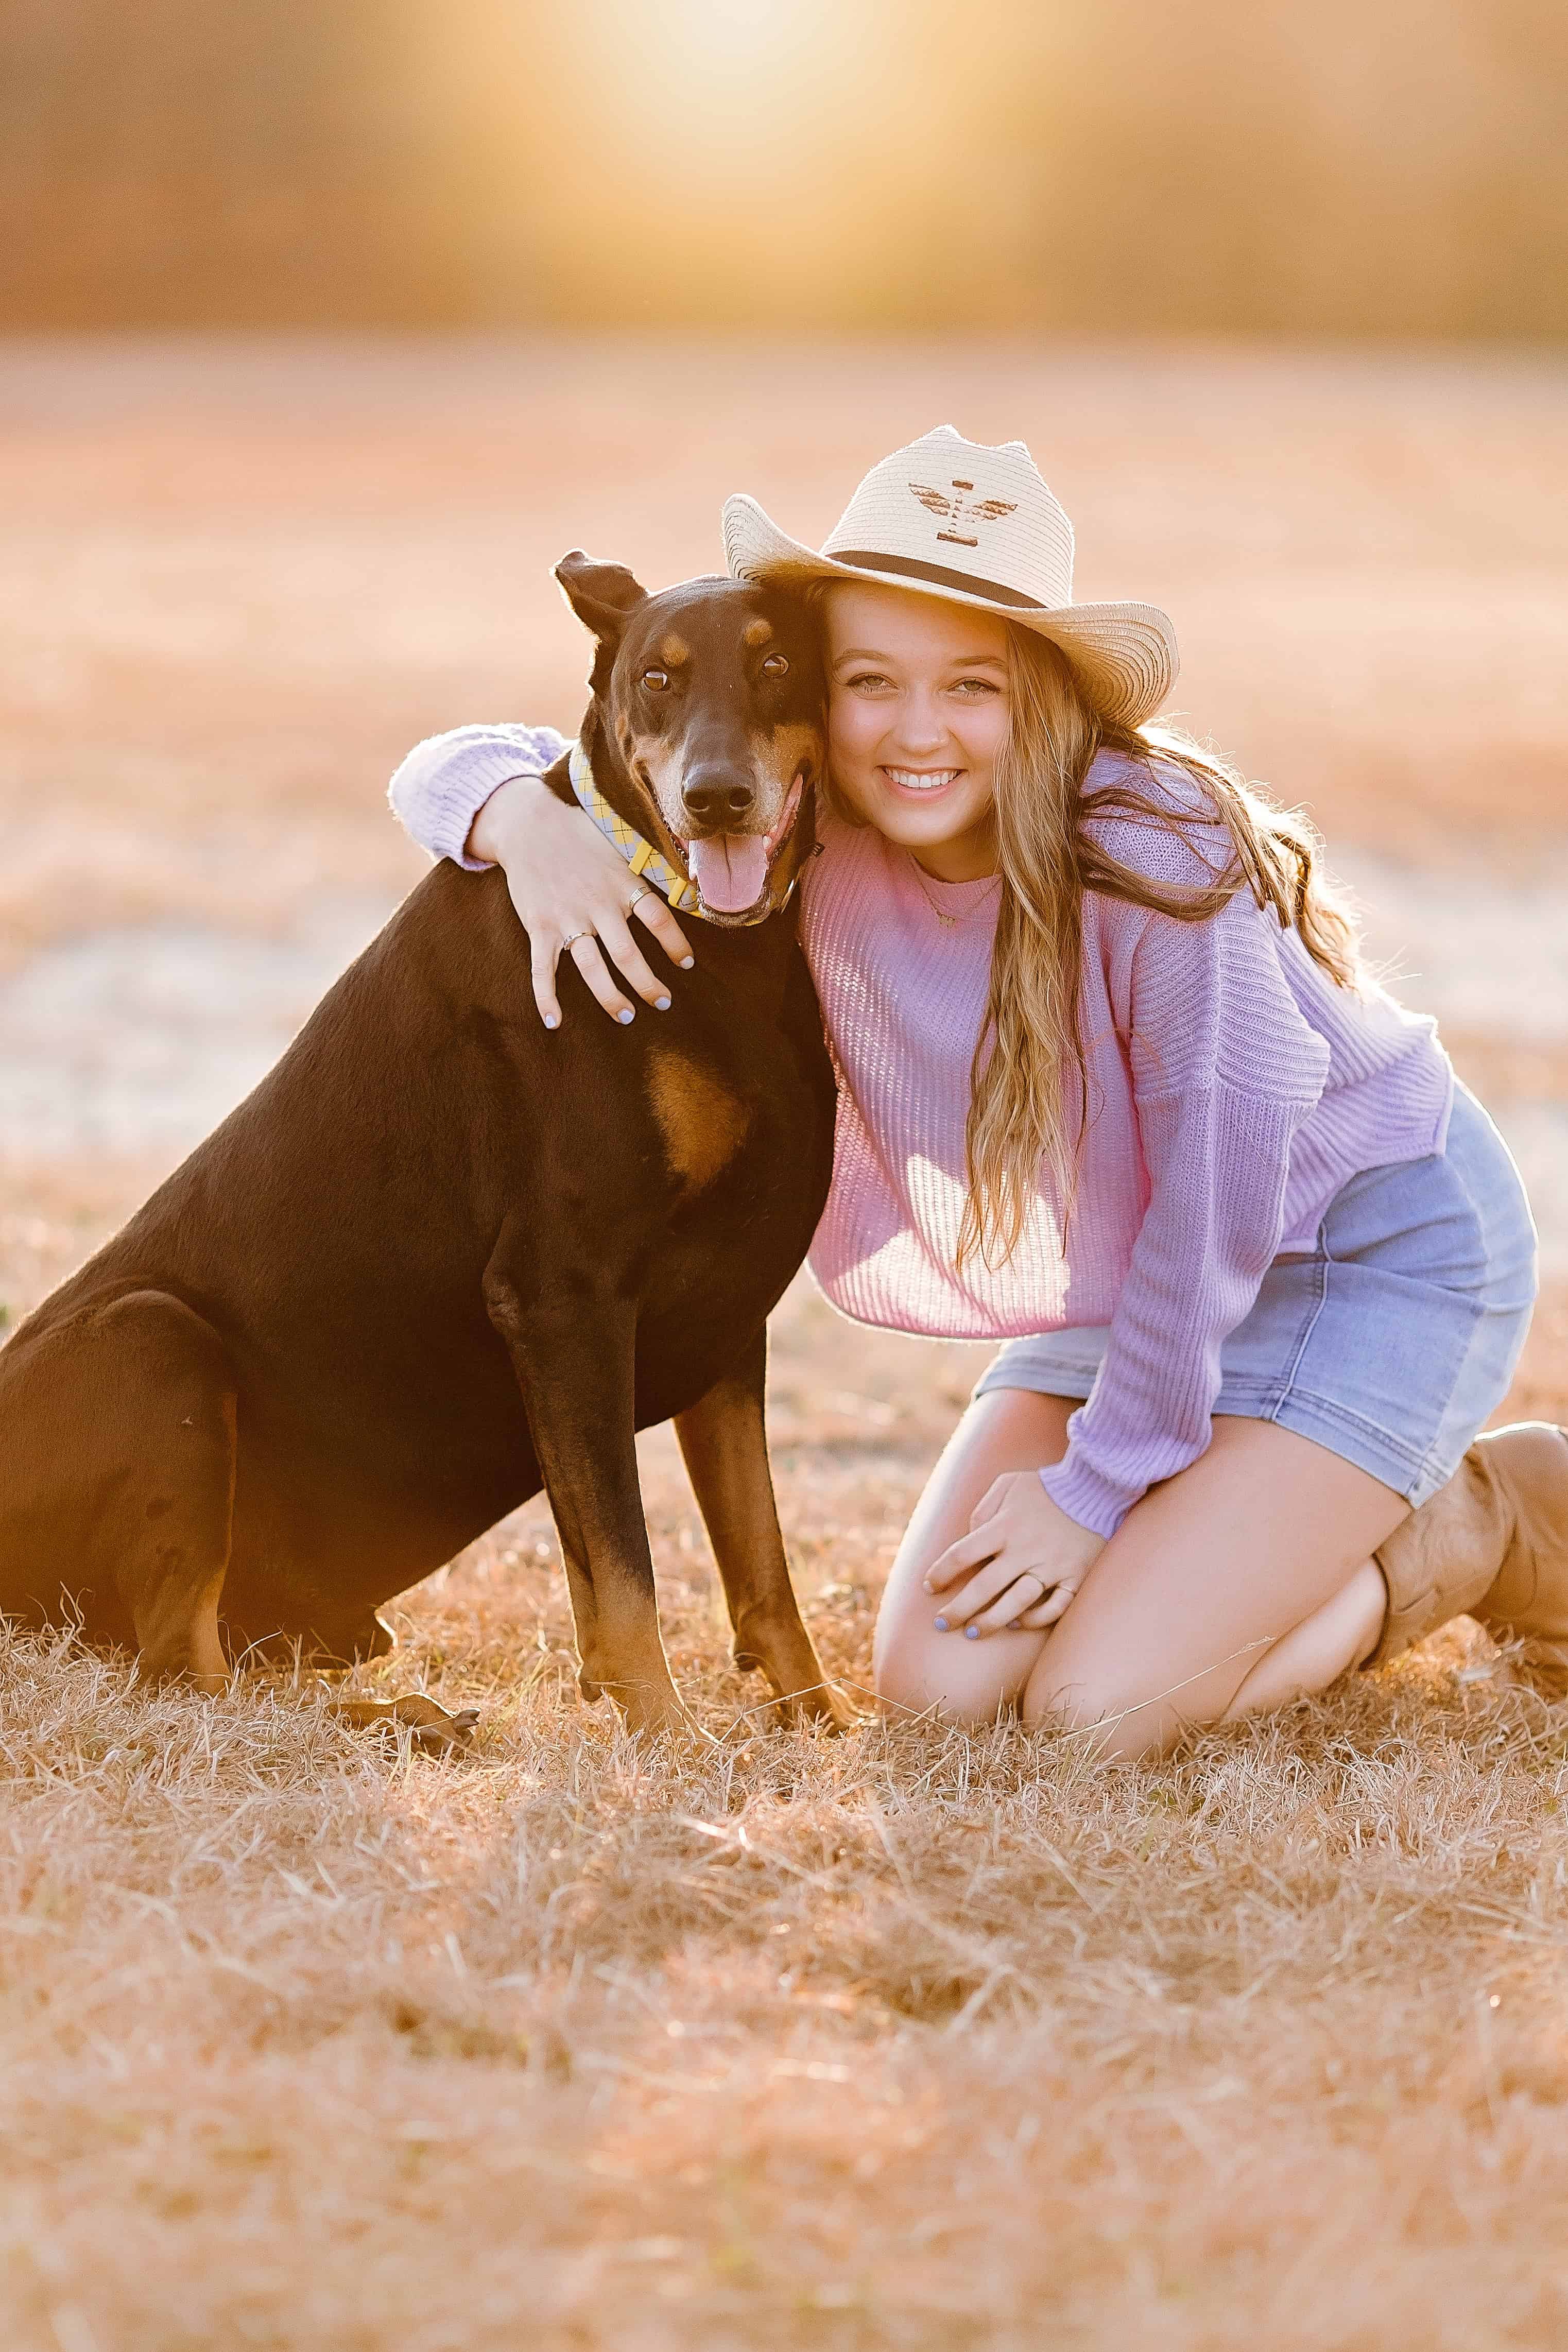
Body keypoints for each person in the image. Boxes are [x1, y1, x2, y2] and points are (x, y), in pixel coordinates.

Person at [387, 425, 1564, 1758]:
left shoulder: (1151, 848)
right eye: (871, 682)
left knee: (1094, 1711)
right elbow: (450, 759)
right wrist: (521, 823)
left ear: (1045, 697)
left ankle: (1482, 1524)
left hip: (1361, 1254)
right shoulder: (807, 817)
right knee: (939, 1690)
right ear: (814, 695)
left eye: (971, 686)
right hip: (1148, 1282)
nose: (915, 732)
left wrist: (1096, 1487)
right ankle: (1259, 1519)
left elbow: (1222, 1195)